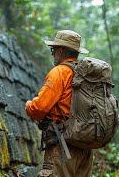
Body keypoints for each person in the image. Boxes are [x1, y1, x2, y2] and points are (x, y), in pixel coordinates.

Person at [25, 30, 93, 177]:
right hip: (85, 149)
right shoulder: (86, 76)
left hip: (62, 147)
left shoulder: (60, 72)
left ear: (61, 50)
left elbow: (39, 108)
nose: (52, 53)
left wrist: (29, 105)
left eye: (53, 50)